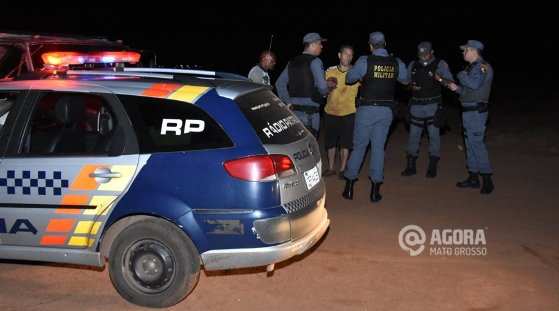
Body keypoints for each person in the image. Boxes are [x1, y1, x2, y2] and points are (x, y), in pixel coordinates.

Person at [342, 31, 408, 203]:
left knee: (359, 147)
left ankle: (349, 188)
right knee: (378, 148)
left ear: (370, 45)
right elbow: (406, 80)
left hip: (366, 110)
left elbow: (349, 79)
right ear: (384, 44)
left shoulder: (365, 60)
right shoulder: (396, 62)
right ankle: (375, 191)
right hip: (386, 111)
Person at [447, 40, 494, 194]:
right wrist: (456, 89)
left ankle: (487, 180)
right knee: (470, 144)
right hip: (469, 112)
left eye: (465, 50)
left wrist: (461, 75)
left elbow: (474, 85)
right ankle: (473, 177)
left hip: (476, 113)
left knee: (477, 145)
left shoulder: (481, 67)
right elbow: (469, 91)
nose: (463, 53)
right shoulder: (472, 68)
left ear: (473, 51)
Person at [402, 41, 454, 178]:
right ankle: (410, 166)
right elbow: (406, 84)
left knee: (434, 136)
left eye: (425, 54)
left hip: (433, 106)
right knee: (413, 136)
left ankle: (432, 166)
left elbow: (451, 83)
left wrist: (440, 79)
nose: (423, 56)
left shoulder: (440, 64)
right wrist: (410, 87)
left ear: (432, 52)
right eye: (421, 54)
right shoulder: (413, 65)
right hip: (416, 105)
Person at [275, 33, 330, 138]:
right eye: (320, 44)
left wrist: (288, 102)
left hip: (293, 113)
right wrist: (327, 90)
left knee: (296, 145)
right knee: (311, 148)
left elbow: (279, 83)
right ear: (313, 45)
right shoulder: (316, 61)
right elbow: (323, 88)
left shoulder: (292, 62)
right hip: (310, 114)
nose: (321, 46)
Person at [323, 45, 359, 179]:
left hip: (348, 113)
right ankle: (331, 168)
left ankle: (343, 169)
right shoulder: (330, 71)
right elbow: (322, 90)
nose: (348, 57)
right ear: (339, 55)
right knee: (330, 143)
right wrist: (327, 87)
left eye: (351, 55)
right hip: (330, 112)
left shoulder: (356, 72)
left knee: (346, 143)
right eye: (345, 54)